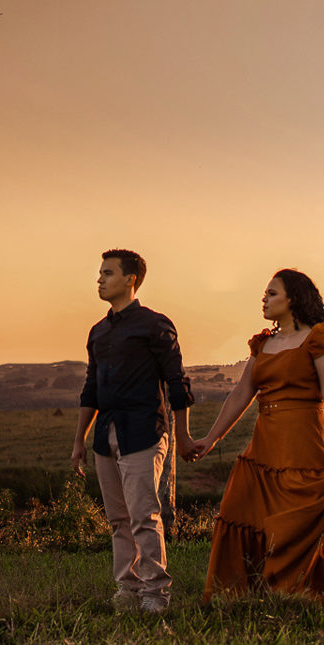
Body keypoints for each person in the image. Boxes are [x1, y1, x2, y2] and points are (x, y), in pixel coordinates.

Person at [185, 267, 324, 605]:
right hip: (265, 444)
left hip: (305, 442)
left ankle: (296, 599)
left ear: (293, 298)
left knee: (294, 524)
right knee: (240, 511)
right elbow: (241, 393)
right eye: (265, 294)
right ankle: (237, 597)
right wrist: (212, 438)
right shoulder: (263, 343)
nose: (264, 299)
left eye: (272, 293)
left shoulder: (318, 338)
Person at [71, 248, 197, 614]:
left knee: (144, 515)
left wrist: (183, 437)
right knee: (118, 520)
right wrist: (79, 440)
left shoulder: (154, 325)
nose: (100, 279)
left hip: (144, 430)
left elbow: (177, 383)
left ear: (130, 279)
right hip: (105, 435)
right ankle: (127, 590)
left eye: (107, 273)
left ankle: (155, 593)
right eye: (99, 273)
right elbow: (91, 389)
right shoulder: (97, 332)